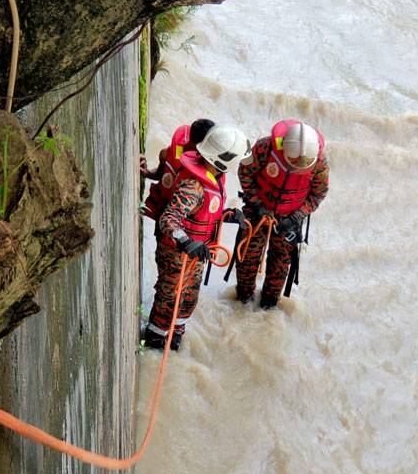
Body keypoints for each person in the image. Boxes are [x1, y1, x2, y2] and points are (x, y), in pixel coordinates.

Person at [142, 125, 250, 350]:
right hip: (176, 253)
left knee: (188, 298)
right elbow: (168, 220)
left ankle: (175, 335)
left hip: (196, 254)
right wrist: (186, 241)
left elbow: (205, 213)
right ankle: (154, 340)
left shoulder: (214, 176)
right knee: (169, 297)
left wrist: (229, 215)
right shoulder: (194, 186)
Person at [234, 119, 329, 309]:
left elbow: (319, 193)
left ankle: (269, 304)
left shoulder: (319, 162)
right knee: (247, 258)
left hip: (290, 218)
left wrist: (297, 216)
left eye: (302, 163)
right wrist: (258, 205)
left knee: (280, 265)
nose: (298, 166)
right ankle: (243, 300)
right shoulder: (264, 148)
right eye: (293, 162)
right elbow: (245, 172)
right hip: (257, 211)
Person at [139, 118, 214, 184]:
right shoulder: (169, 153)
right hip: (161, 195)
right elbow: (160, 174)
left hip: (175, 197)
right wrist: (147, 173)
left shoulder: (203, 172)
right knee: (164, 153)